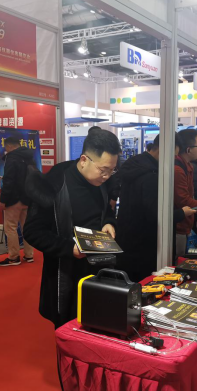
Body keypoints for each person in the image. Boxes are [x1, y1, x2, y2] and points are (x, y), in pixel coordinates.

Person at [24, 129, 120, 328]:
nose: (107, 176)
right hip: (66, 274)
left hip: (99, 269)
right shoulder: (54, 183)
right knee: (68, 331)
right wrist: (70, 248)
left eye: (112, 170)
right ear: (84, 160)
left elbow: (106, 212)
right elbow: (33, 232)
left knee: (100, 326)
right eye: (103, 170)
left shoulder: (101, 182)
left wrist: (109, 222)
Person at [117, 134, 197, 281]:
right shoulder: (151, 175)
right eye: (172, 156)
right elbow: (155, 214)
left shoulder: (134, 165)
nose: (173, 160)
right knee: (145, 285)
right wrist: (181, 213)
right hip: (144, 245)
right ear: (162, 150)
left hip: (127, 240)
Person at [0, 137, 36, 267]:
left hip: (14, 199)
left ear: (9, 146)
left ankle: (14, 257)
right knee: (27, 227)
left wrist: (3, 200)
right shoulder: (29, 157)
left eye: (6, 147)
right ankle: (29, 255)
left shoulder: (12, 158)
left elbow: (8, 181)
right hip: (28, 198)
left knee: (11, 227)